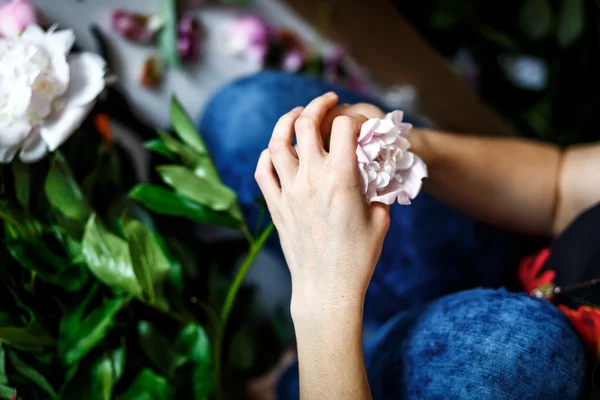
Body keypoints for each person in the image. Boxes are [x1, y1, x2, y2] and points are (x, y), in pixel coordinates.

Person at [199, 72, 599, 399]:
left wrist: (322, 292)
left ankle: (296, 383)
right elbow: (560, 187)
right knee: (247, 117)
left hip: (503, 369)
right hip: (511, 257)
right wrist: (398, 151)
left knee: (513, 356)